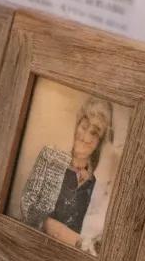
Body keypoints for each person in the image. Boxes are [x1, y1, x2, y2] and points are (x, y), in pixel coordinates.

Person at [19, 94, 114, 249]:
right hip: (33, 247)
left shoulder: (93, 182)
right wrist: (60, 232)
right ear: (77, 125)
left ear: (99, 142)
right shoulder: (50, 157)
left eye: (94, 133)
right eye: (84, 126)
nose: (85, 136)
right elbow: (26, 205)